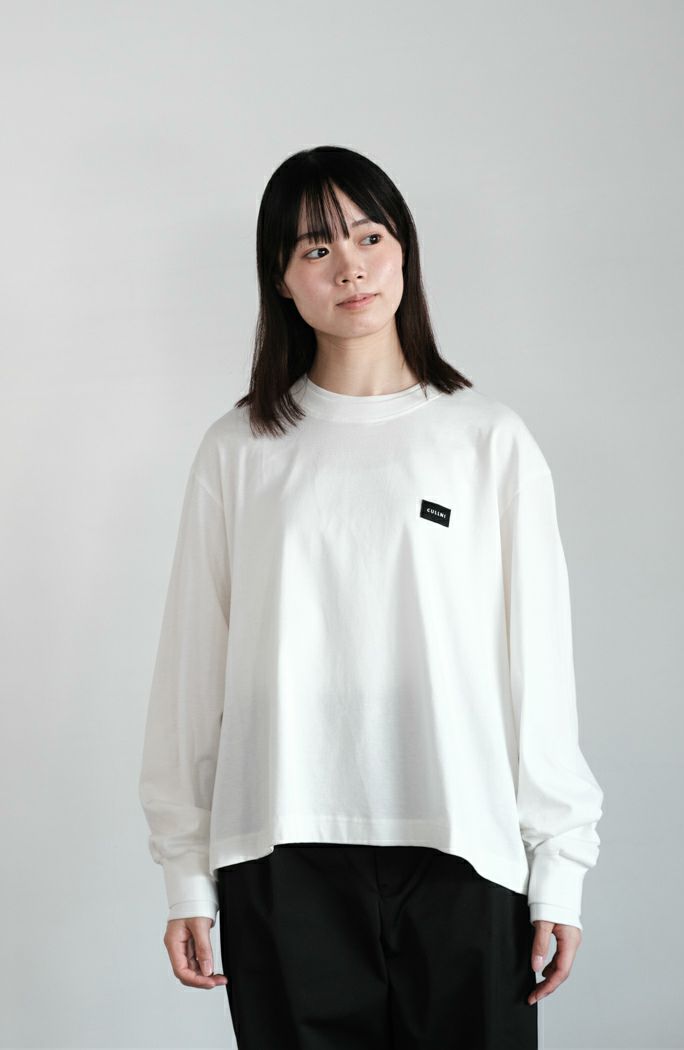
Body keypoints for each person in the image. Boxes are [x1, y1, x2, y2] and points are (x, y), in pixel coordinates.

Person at [138, 145, 604, 1049]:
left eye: (368, 236)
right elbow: (192, 671)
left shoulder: (488, 441)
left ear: (404, 250)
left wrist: (561, 865)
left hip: (463, 844)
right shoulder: (241, 450)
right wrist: (185, 871)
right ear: (281, 279)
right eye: (315, 248)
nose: (348, 266)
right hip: (281, 845)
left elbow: (539, 667)